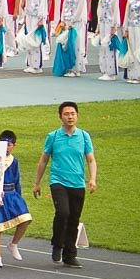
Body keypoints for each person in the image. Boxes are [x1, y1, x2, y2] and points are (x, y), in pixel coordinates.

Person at [32, 101, 97, 268]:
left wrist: (92, 179)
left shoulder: (84, 136)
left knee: (74, 218)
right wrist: (36, 183)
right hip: (58, 181)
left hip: (77, 183)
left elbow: (90, 159)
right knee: (62, 212)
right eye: (66, 114)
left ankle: (70, 255)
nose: (70, 117)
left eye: (73, 113)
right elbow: (44, 160)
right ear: (60, 116)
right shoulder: (53, 136)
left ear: (77, 115)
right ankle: (57, 244)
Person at [0, 130, 32, 268]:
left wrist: (19, 196)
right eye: (4, 144)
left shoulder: (14, 161)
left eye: (9, 145)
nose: (7, 147)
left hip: (12, 194)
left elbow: (17, 180)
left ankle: (13, 243)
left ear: (13, 145)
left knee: (25, 218)